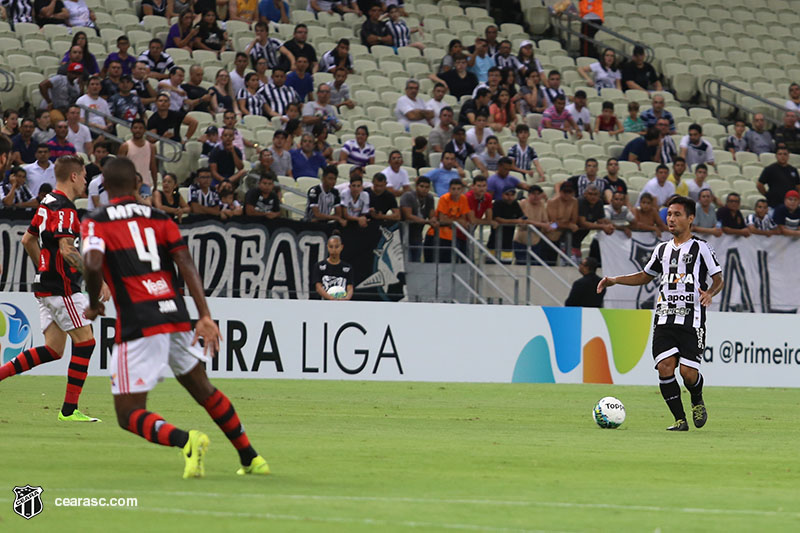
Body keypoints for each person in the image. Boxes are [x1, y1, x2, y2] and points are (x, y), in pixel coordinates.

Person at [81, 157, 269, 476]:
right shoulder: (159, 217)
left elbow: (93, 262)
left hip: (139, 320)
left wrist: (94, 302)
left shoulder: (96, 220)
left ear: (105, 187)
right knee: (203, 389)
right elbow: (186, 263)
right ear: (138, 182)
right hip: (174, 312)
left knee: (128, 413)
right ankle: (251, 457)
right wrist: (204, 315)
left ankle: (187, 441)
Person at [598, 195, 723, 430]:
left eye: (677, 214)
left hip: (692, 319)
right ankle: (680, 420)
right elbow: (645, 276)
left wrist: (710, 293)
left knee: (688, 373)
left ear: (690, 218)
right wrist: (615, 280)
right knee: (665, 366)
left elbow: (718, 279)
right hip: (664, 318)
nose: (671, 219)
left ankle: (697, 398)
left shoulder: (701, 248)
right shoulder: (662, 249)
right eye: (669, 214)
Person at [3, 155, 107, 422]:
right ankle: (69, 411)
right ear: (74, 176)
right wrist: (96, 280)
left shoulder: (46, 202)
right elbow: (67, 251)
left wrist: (43, 268)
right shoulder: (65, 209)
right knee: (86, 342)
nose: (86, 182)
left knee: (53, 349)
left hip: (45, 285)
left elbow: (28, 240)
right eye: (84, 176)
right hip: (62, 288)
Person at [424, 179, 476, 263]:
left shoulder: (463, 199)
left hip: (451, 237)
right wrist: (457, 221)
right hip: (436, 235)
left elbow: (463, 219)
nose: (456, 191)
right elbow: (442, 219)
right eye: (453, 189)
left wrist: (451, 220)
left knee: (449, 264)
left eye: (458, 189)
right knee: (432, 263)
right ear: (449, 189)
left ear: (462, 190)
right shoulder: (444, 198)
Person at [489, 185, 528, 261]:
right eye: (507, 194)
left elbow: (522, 217)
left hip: (508, 244)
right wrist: (515, 221)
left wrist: (522, 221)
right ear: (502, 194)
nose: (510, 197)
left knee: (507, 265)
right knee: (490, 266)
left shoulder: (515, 204)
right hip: (494, 243)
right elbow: (497, 219)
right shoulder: (497, 203)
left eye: (512, 195)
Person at [312, 233, 354, 300]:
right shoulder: (319, 266)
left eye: (336, 247)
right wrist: (331, 298)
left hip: (342, 302)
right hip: (324, 302)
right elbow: (318, 287)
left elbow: (350, 287)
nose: (334, 250)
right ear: (327, 247)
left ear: (341, 247)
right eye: (331, 247)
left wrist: (346, 299)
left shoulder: (347, 268)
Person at [756, 145, 800, 209]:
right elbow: (759, 184)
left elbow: (798, 186)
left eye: (785, 154)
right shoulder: (770, 169)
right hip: (774, 204)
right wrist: (767, 195)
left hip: (790, 206)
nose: (782, 156)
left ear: (788, 156)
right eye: (780, 154)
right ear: (776, 156)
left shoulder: (793, 170)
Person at [117, 119, 157, 188]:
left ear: (145, 130)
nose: (138, 130)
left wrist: (155, 185)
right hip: (128, 184)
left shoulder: (151, 147)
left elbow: (153, 167)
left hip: (145, 184)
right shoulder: (125, 146)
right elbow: (119, 167)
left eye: (140, 128)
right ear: (131, 130)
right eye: (135, 128)